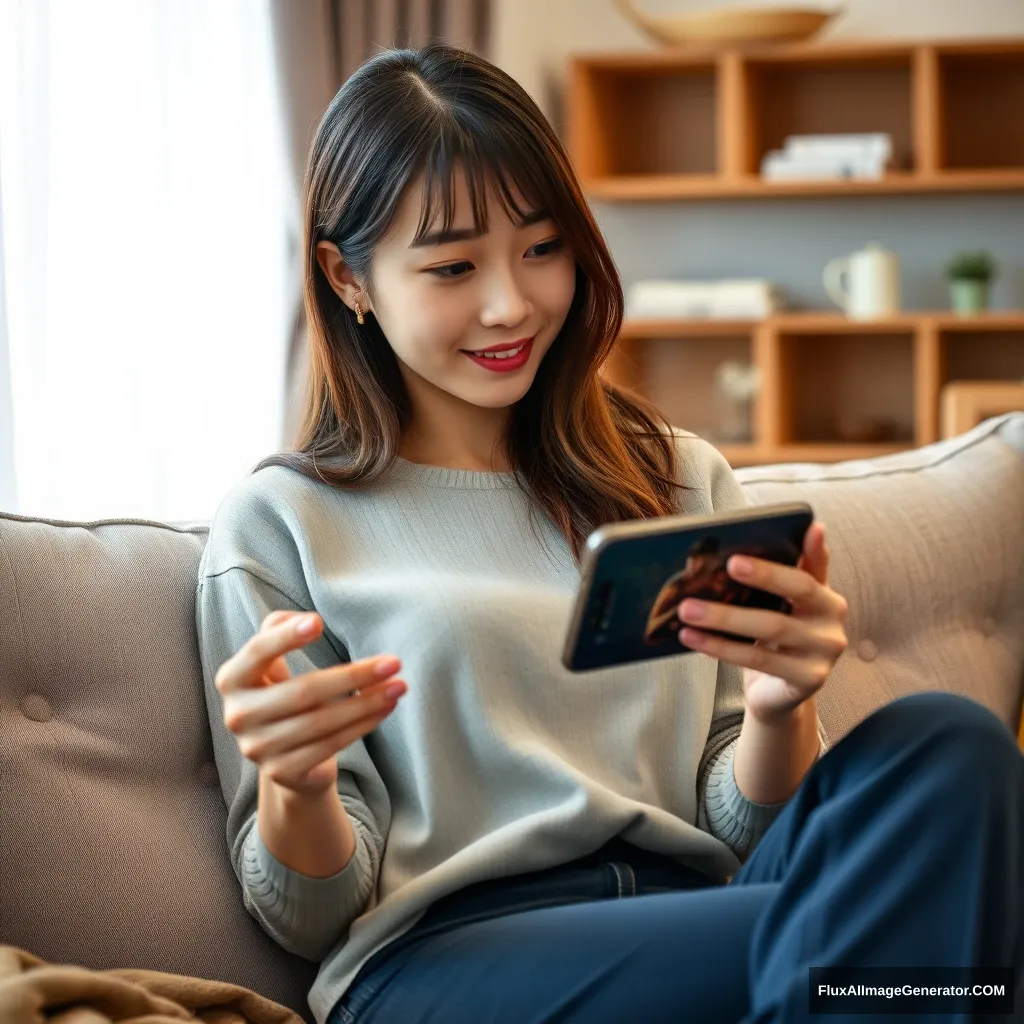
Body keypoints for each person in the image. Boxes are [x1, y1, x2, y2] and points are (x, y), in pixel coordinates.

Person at [195, 43, 1024, 1024]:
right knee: (894, 948)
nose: (511, 302)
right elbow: (310, 911)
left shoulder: (674, 477)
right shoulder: (283, 522)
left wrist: (775, 707)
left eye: (542, 247)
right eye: (453, 265)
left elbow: (747, 823)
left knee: (949, 745)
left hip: (713, 914)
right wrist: (296, 783)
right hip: (446, 958)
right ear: (348, 277)